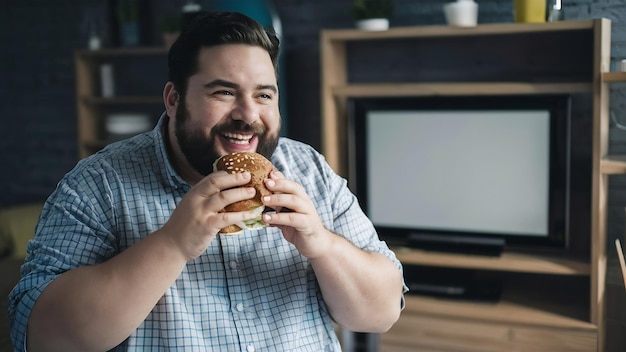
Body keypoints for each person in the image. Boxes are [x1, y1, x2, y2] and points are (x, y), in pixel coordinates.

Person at [9, 11, 406, 351]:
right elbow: (42, 335)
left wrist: (322, 245)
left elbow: (380, 313)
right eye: (224, 92)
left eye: (264, 95)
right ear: (173, 99)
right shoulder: (98, 185)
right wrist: (172, 243)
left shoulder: (308, 170)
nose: (248, 114)